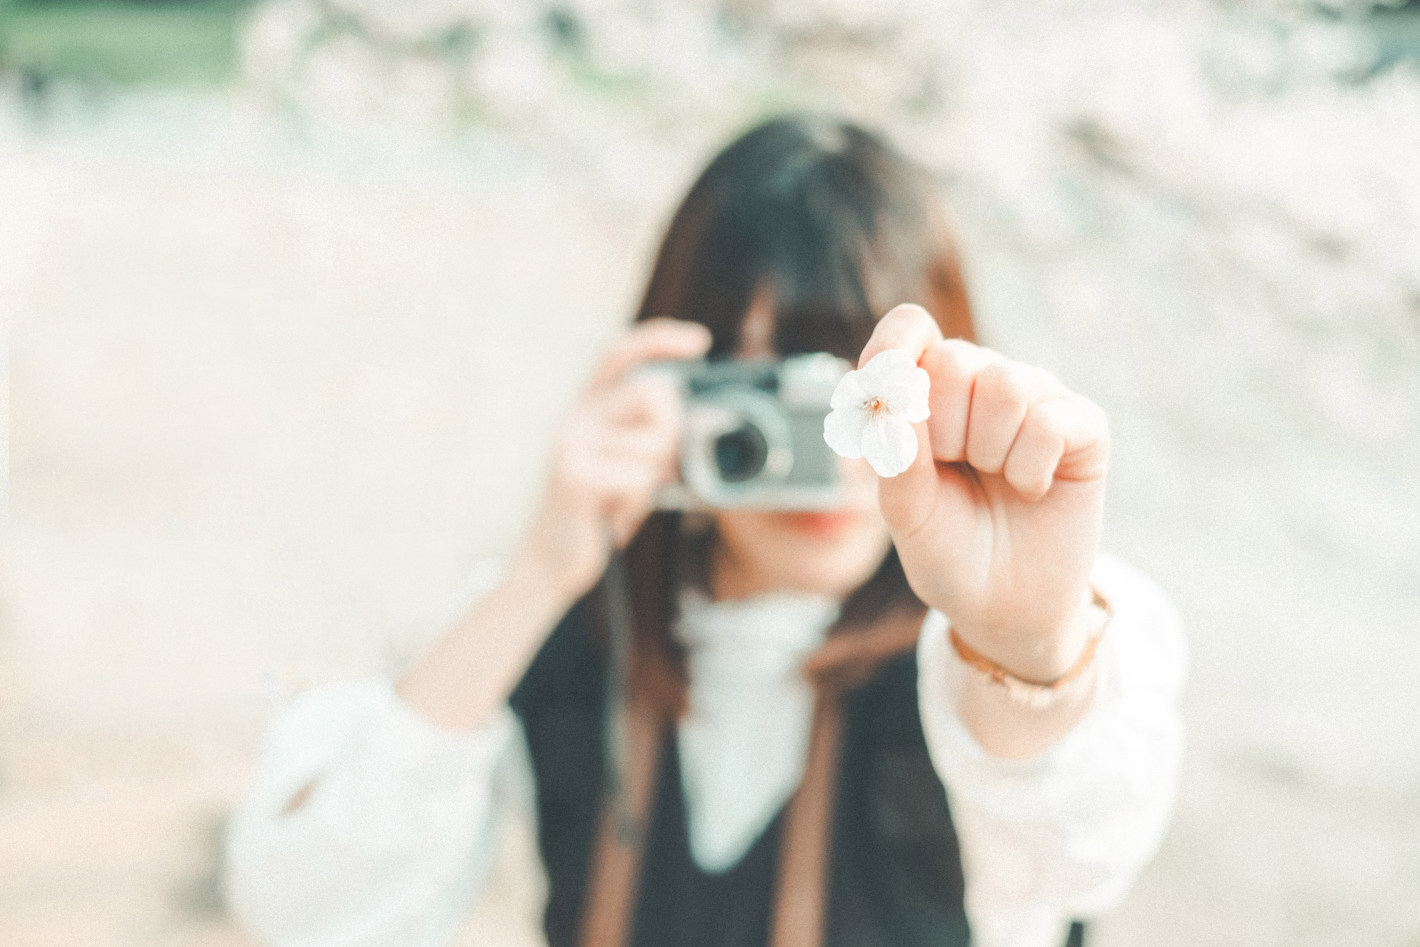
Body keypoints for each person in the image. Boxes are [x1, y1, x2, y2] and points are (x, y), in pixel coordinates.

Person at [225, 116, 1185, 947]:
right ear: (673, 386)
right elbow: (307, 906)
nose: (831, 456)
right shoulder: (581, 636)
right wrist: (538, 574)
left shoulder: (988, 648)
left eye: (865, 398)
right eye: (765, 399)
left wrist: (1027, 645)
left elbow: (1075, 843)